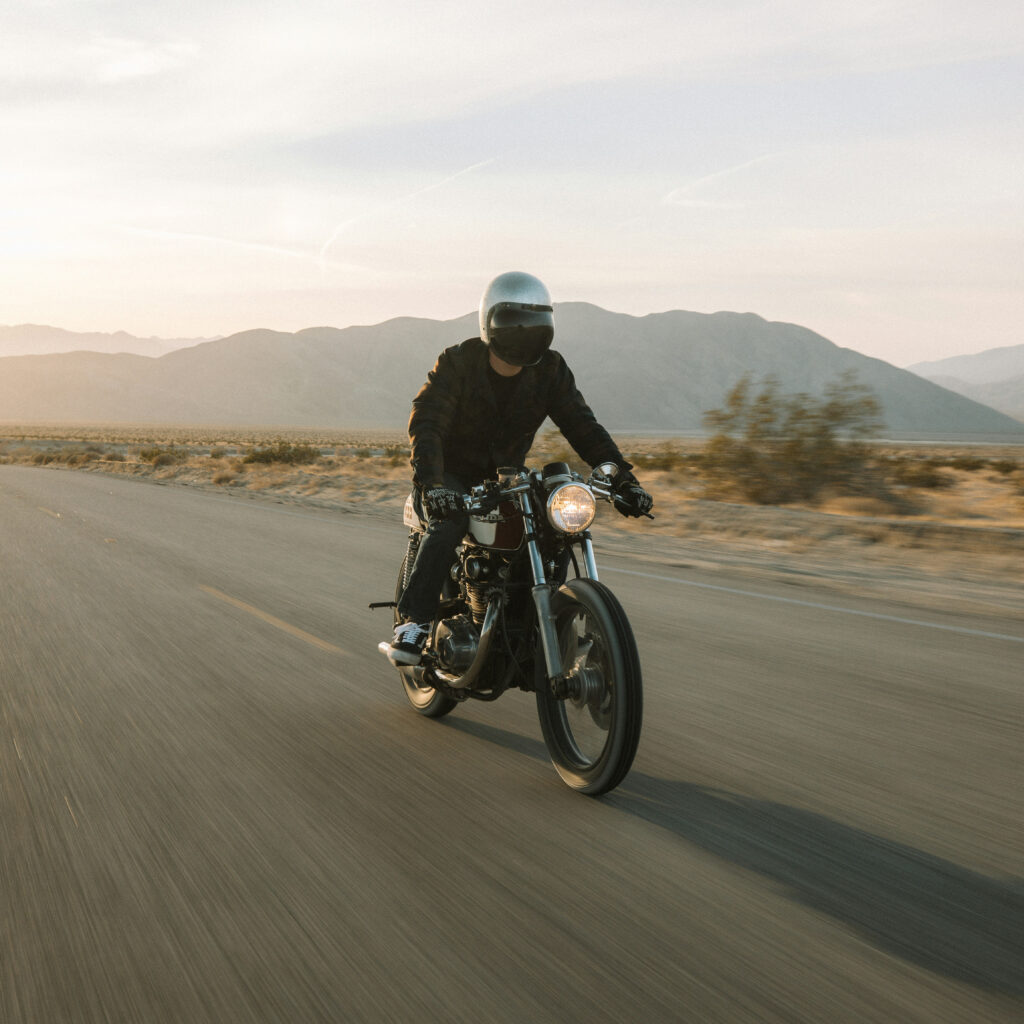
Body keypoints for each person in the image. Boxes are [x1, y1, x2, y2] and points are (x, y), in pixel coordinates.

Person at [386, 271, 653, 665]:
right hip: (451, 474)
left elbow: (583, 427)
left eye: (534, 323)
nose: (524, 333)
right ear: (491, 323)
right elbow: (427, 423)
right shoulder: (458, 363)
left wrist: (623, 480)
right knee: (449, 523)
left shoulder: (550, 371)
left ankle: (544, 622)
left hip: (506, 477)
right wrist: (433, 484)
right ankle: (415, 622)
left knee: (554, 526)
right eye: (515, 323)